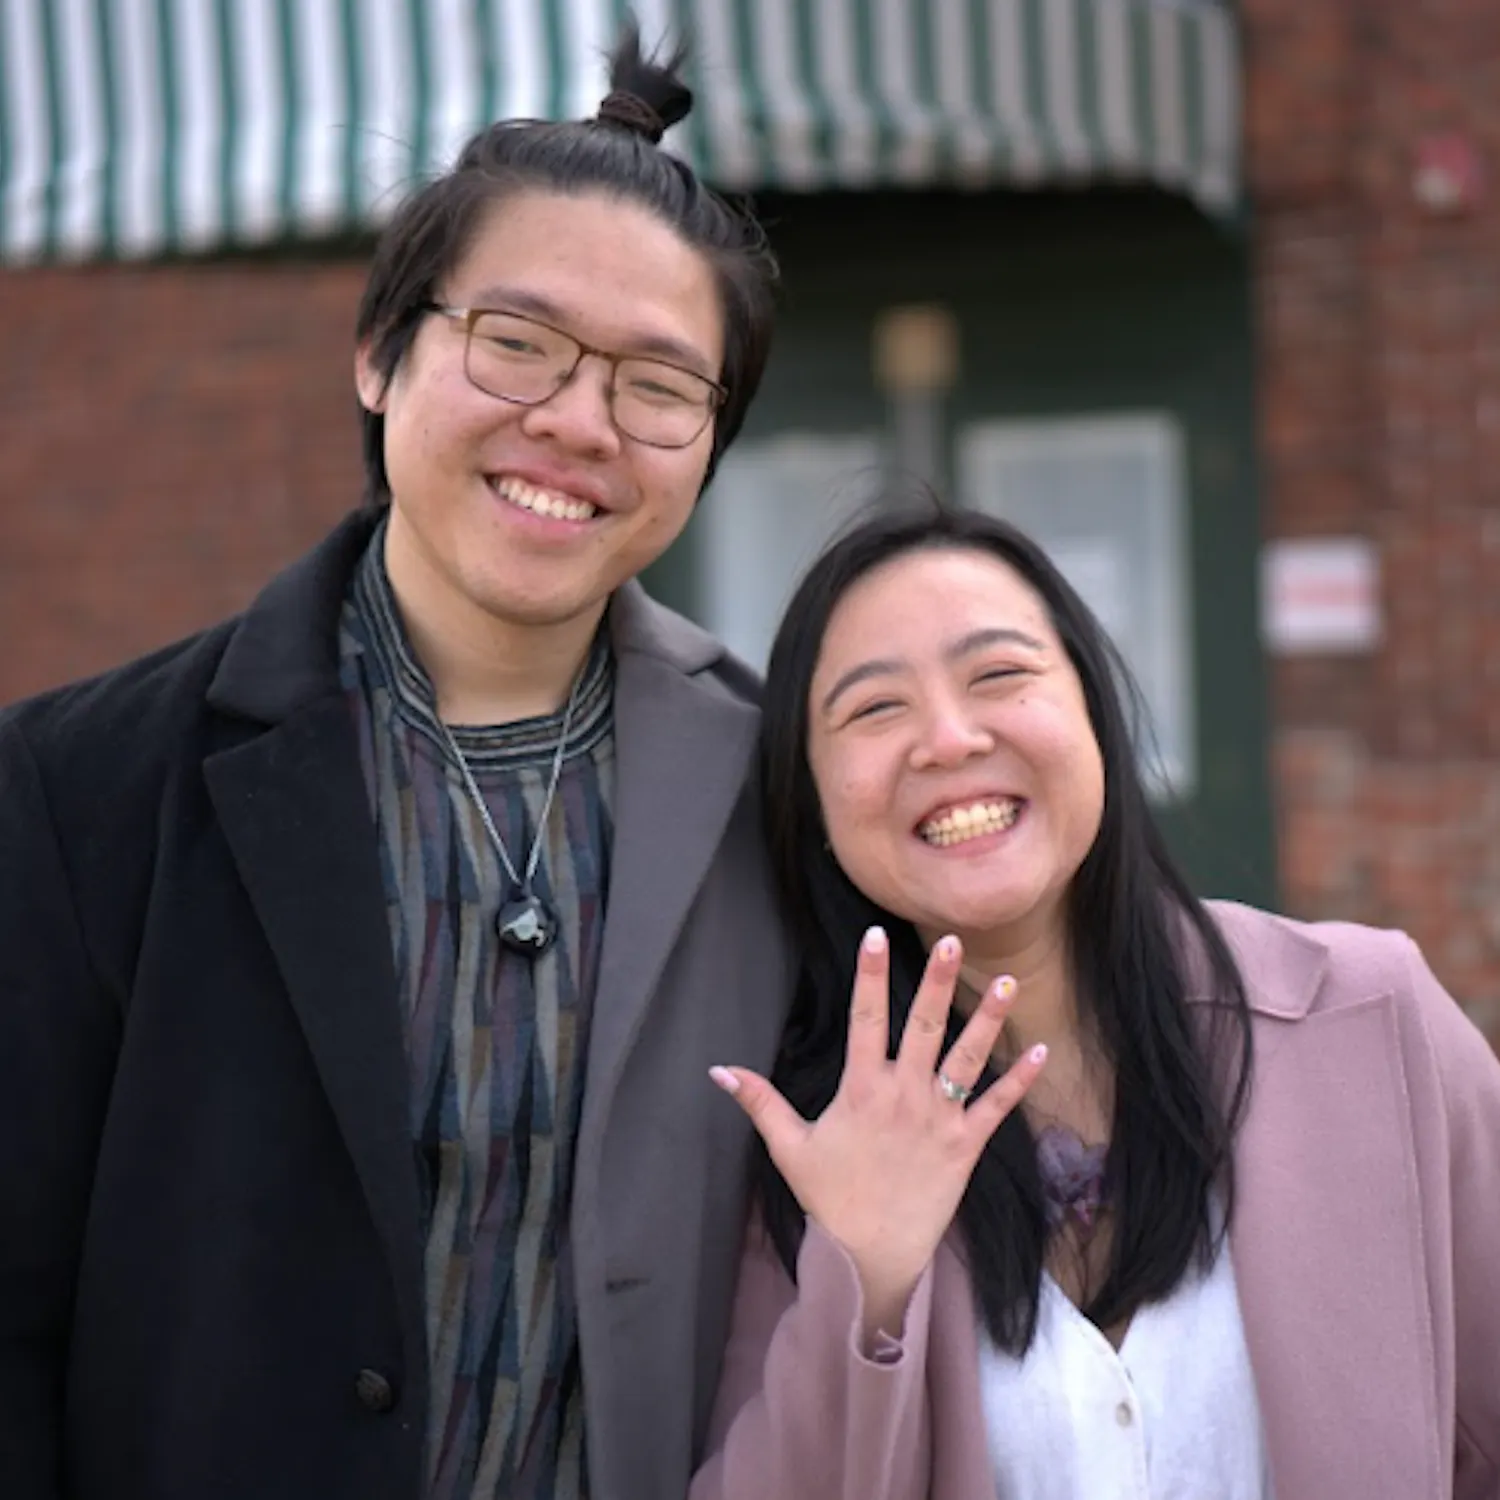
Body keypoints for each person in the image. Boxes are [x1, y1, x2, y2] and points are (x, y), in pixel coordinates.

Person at [0, 25, 792, 1500]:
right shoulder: (76, 791)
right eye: (518, 342)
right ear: (380, 352)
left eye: (659, 387)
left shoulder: (777, 791)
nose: (575, 421)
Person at [691, 504, 1500, 1500]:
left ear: (1094, 712)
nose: (948, 739)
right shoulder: (808, 1143)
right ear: (808, 801)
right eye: (874, 709)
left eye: (999, 675)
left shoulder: (1375, 1023)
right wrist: (867, 1277)